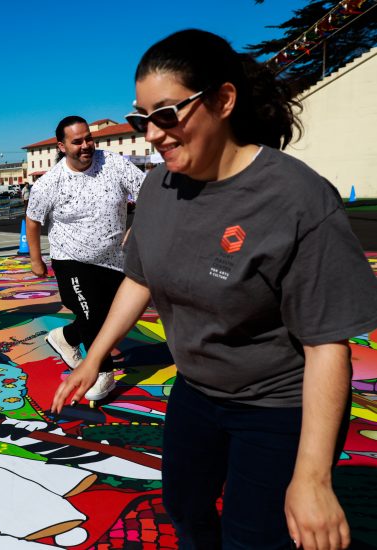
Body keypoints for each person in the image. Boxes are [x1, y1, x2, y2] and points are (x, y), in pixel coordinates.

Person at [52, 29, 377, 549]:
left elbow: (326, 345)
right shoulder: (158, 186)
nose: (153, 134)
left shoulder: (297, 199)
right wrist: (93, 358)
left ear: (224, 100)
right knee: (185, 509)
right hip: (197, 391)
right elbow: (139, 278)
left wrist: (313, 478)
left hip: (279, 405)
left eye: (166, 114)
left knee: (255, 537)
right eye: (142, 119)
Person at [27, 115, 144, 403]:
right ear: (62, 146)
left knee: (114, 317)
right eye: (77, 141)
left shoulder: (113, 163)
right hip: (71, 258)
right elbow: (33, 220)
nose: (85, 146)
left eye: (88, 138)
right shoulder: (50, 183)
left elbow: (149, 194)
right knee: (92, 315)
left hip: (113, 260)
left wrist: (136, 228)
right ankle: (103, 372)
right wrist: (35, 259)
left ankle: (65, 338)